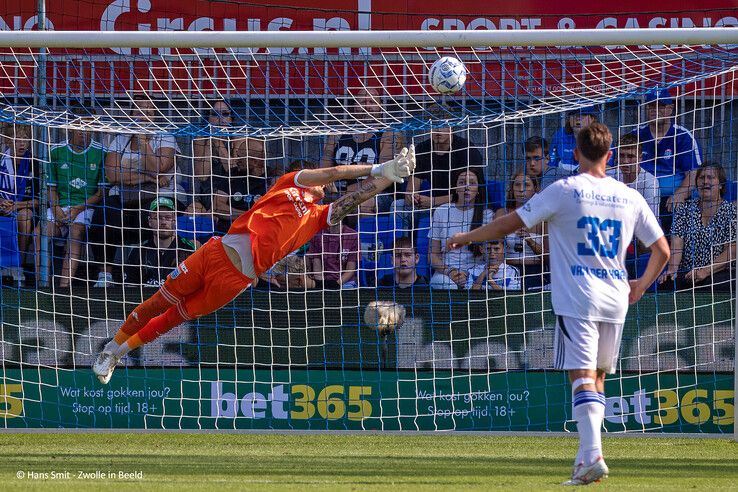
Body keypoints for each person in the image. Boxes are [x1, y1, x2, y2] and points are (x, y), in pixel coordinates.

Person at [447, 123, 669, 485]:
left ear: (577, 153)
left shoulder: (564, 190)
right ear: (610, 155)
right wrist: (641, 285)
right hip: (616, 297)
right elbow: (662, 250)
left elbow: (509, 224)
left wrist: (466, 236)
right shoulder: (630, 196)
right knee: (596, 377)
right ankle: (586, 462)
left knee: (580, 375)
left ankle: (594, 455)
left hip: (578, 295)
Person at [92, 145, 416, 384]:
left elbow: (353, 199)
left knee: (173, 318)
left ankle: (116, 356)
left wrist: (389, 175)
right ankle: (112, 346)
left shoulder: (319, 216)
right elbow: (333, 173)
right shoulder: (290, 182)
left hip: (236, 279)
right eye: (320, 183)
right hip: (215, 253)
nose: (326, 187)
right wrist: (377, 167)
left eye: (326, 188)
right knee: (159, 301)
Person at [89, 95, 179, 287]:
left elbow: (158, 168)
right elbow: (112, 175)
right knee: (103, 215)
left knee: (150, 217)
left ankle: (153, 272)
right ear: (131, 114)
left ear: (155, 115)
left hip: (158, 197)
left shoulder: (165, 136)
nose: (144, 113)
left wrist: (143, 141)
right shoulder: (120, 139)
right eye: (139, 109)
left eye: (149, 109)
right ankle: (105, 275)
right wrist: (146, 178)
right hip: (123, 198)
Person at [34, 118, 105, 287]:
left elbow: (101, 193)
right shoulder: (56, 151)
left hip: (85, 207)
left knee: (75, 232)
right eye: (80, 127)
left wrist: (77, 209)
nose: (84, 131)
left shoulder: (101, 152)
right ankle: (41, 285)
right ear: (71, 128)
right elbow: (51, 188)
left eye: (88, 127)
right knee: (39, 232)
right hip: (59, 205)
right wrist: (57, 209)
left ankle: (63, 288)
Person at [394, 104, 484, 228]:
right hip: (431, 204)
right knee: (398, 206)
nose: (438, 130)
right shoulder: (422, 149)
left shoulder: (467, 150)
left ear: (452, 126)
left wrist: (432, 202)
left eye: (442, 125)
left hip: (461, 204)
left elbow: (470, 193)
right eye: (433, 125)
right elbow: (411, 190)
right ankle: (405, 246)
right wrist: (413, 198)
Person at [320, 88, 405, 211]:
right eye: (362, 102)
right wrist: (334, 191)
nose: (367, 106)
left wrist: (351, 192)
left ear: (380, 107)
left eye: (371, 102)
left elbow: (384, 174)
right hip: (338, 192)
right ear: (355, 106)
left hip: (377, 193)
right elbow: (324, 169)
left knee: (361, 204)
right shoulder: (337, 135)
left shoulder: (389, 135)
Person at [631, 88, 702, 231]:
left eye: (661, 105)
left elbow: (694, 173)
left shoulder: (683, 136)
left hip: (671, 200)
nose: (655, 110)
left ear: (670, 109)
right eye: (651, 105)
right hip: (641, 196)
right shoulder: (635, 135)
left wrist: (679, 194)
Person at [658, 163, 736, 291]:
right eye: (701, 178)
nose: (705, 181)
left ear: (721, 184)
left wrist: (705, 271)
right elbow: (677, 241)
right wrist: (672, 269)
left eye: (710, 178)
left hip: (718, 272)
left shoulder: (731, 211)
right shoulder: (685, 209)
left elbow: (732, 251)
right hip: (688, 272)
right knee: (667, 282)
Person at [193, 100, 267, 232]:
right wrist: (211, 140)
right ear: (208, 118)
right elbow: (202, 176)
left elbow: (233, 170)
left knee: (216, 215)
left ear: (231, 118)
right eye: (215, 114)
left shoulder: (238, 137)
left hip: (233, 190)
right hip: (208, 191)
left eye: (225, 114)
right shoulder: (201, 139)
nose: (220, 118)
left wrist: (219, 143)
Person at [429, 168, 493, 289]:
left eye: (472, 183)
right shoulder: (441, 211)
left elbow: (489, 253)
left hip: (476, 273)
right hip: (446, 273)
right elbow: (432, 255)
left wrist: (468, 273)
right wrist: (450, 272)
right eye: (462, 182)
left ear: (479, 189)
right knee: (446, 286)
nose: (467, 187)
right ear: (456, 187)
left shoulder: (487, 215)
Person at [123, 197, 198, 287]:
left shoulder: (187, 250)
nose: (163, 222)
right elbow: (129, 289)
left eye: (168, 217)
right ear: (150, 221)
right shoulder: (138, 253)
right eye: (158, 217)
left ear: (174, 220)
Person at [495, 171, 547, 292]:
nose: (521, 189)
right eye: (517, 185)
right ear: (512, 189)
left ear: (535, 189)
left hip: (536, 272)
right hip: (507, 271)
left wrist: (529, 240)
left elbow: (549, 257)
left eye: (526, 185)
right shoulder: (502, 213)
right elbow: (494, 248)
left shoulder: (544, 216)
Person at [0, 125, 38, 269]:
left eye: (25, 139)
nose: (22, 143)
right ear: (8, 141)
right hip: (3, 206)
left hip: (24, 208)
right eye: (17, 140)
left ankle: (18, 264)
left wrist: (16, 205)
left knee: (25, 216)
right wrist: (2, 201)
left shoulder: (35, 164)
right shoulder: (1, 162)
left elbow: (40, 200)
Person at [609, 134, 660, 217]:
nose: (625, 161)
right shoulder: (609, 177)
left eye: (630, 156)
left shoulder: (650, 183)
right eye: (621, 156)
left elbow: (651, 220)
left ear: (640, 158)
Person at [307, 216, 359, 289]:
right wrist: (321, 283)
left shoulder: (352, 235)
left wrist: (336, 284)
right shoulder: (318, 235)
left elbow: (350, 269)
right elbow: (317, 264)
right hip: (322, 280)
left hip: (345, 281)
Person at [550, 106, 599, 172]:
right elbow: (552, 163)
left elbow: (607, 166)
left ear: (592, 118)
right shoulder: (560, 134)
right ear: (569, 119)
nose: (578, 118)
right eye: (574, 114)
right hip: (562, 177)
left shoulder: (601, 137)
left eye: (583, 115)